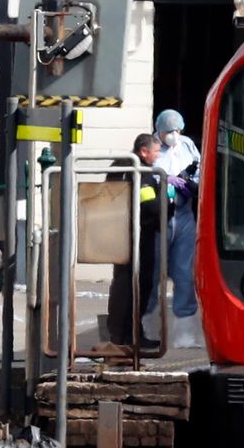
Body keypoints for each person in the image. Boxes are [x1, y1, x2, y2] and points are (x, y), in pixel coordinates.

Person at [142, 109, 201, 349]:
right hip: (160, 216)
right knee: (154, 272)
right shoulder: (153, 146)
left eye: (177, 131)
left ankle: (185, 333)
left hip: (184, 214)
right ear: (159, 130)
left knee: (185, 273)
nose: (173, 136)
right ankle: (148, 327)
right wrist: (167, 181)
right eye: (169, 131)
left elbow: (198, 171)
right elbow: (148, 175)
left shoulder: (187, 146)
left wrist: (190, 183)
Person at [106, 134, 167, 349]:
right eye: (156, 152)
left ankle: (123, 334)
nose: (158, 156)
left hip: (121, 235)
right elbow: (152, 206)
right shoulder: (141, 172)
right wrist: (168, 197)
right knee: (139, 286)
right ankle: (130, 336)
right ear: (143, 151)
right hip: (140, 239)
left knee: (123, 284)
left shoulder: (121, 166)